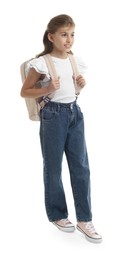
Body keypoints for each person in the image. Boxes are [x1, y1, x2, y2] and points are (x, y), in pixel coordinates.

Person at [20, 14, 102, 243]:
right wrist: (47, 89)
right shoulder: (42, 63)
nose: (69, 39)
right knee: (54, 167)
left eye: (72, 34)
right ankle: (57, 214)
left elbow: (70, 90)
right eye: (64, 34)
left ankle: (85, 219)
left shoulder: (75, 61)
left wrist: (80, 86)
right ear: (51, 36)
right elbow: (25, 91)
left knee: (81, 167)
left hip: (74, 113)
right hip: (53, 115)